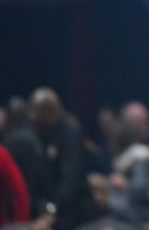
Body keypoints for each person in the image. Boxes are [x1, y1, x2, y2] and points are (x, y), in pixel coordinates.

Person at [29, 87, 97, 230]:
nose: (33, 116)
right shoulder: (41, 136)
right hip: (57, 211)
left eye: (37, 111)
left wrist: (54, 206)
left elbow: (71, 178)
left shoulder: (68, 135)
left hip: (76, 213)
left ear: (51, 110)